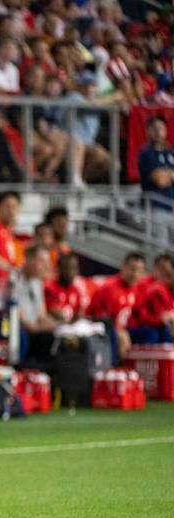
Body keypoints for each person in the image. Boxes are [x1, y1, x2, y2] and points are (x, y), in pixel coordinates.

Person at [87, 251, 146, 359]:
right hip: (104, 328)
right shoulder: (109, 288)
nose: (135, 274)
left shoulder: (140, 289)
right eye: (132, 269)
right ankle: (114, 369)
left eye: (139, 271)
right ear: (123, 266)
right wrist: (120, 331)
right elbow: (101, 317)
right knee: (116, 334)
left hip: (126, 330)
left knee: (151, 333)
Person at [13, 243, 57, 362]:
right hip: (22, 332)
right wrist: (42, 329)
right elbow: (22, 321)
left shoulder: (37, 282)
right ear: (28, 259)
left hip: (36, 331)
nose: (46, 266)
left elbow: (42, 315)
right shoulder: (13, 280)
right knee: (48, 338)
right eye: (41, 261)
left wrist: (59, 326)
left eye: (47, 262)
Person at [137, 116, 174, 247]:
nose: (159, 132)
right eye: (155, 129)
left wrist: (167, 175)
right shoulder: (146, 153)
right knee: (161, 249)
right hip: (155, 208)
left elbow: (164, 178)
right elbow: (160, 181)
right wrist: (170, 175)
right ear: (147, 131)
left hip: (171, 205)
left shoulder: (171, 153)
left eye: (162, 129)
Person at [128, 253, 174, 344]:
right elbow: (141, 316)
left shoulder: (166, 289)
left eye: (167, 272)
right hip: (136, 327)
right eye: (161, 269)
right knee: (157, 333)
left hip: (155, 327)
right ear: (155, 268)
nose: (163, 274)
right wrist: (161, 319)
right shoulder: (148, 286)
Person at [45, 252, 90, 322]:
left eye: (74, 268)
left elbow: (80, 315)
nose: (71, 272)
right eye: (67, 268)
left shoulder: (76, 290)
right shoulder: (49, 288)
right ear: (59, 269)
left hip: (71, 329)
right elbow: (58, 317)